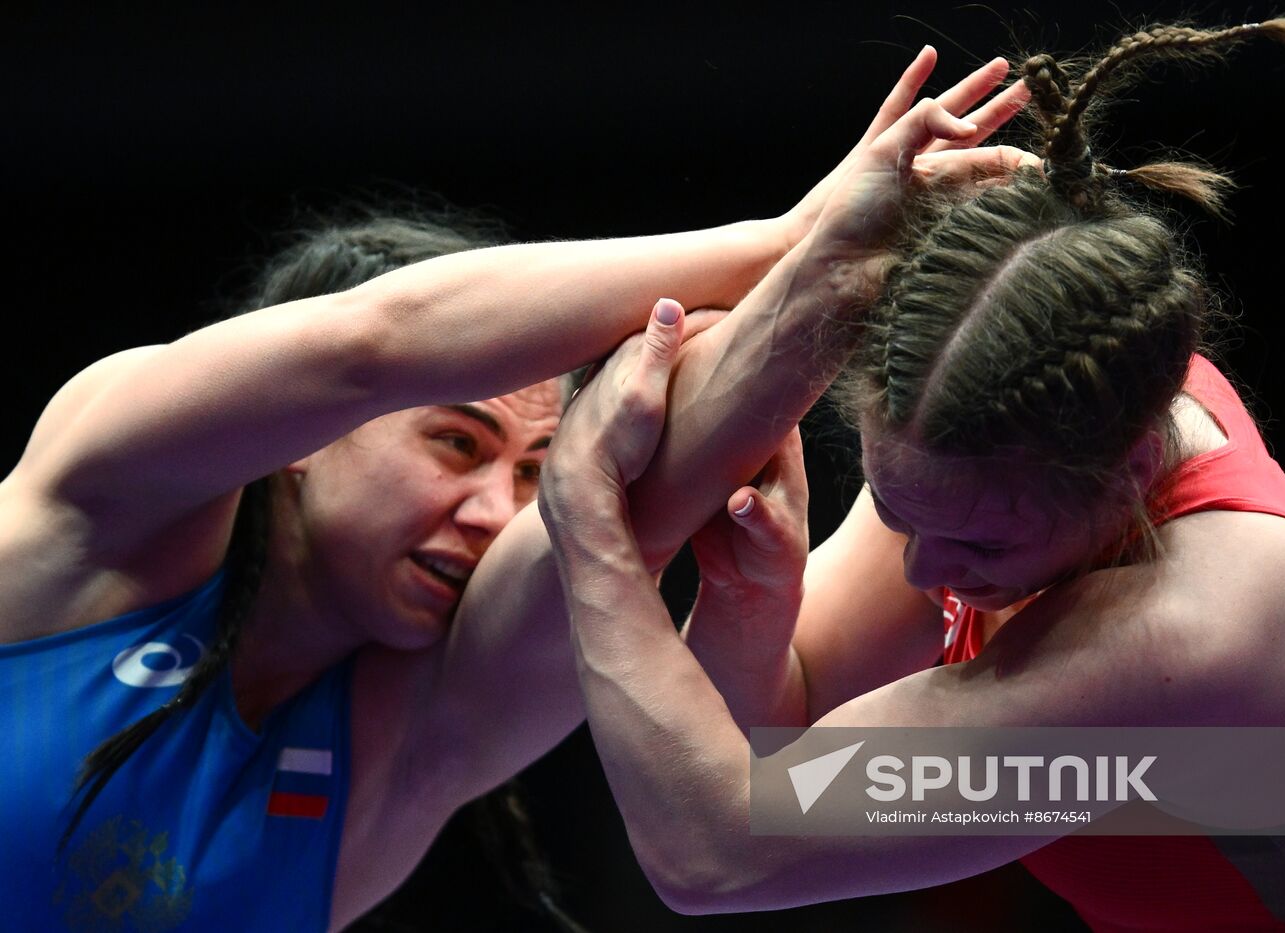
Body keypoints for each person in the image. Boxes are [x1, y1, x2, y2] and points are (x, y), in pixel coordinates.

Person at [0, 56, 1026, 930]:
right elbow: (375, 345)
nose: (495, 512)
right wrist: (793, 237)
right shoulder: (96, 522)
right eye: (455, 442)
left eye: (530, 471)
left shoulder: (409, 741)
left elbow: (629, 500)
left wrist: (842, 276)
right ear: (299, 442)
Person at [538, 17, 1285, 931]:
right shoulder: (1013, 408)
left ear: (1133, 467)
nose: (924, 571)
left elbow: (717, 850)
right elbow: (772, 740)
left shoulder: (1197, 633)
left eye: (977, 541)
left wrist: (590, 531)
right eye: (903, 518)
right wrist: (752, 605)